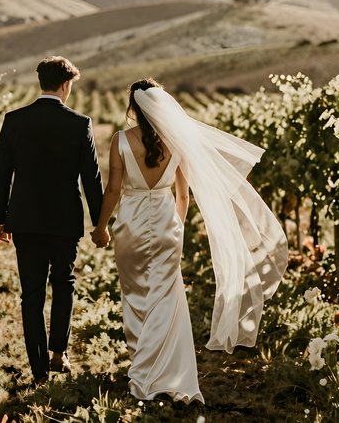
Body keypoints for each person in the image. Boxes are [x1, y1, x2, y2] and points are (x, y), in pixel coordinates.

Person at [91, 78, 288, 404]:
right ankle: (172, 374)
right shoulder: (177, 142)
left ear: (134, 107)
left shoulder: (120, 141)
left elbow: (113, 189)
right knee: (168, 298)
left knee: (136, 294)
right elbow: (183, 194)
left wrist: (101, 227)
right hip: (168, 224)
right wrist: (176, 227)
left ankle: (144, 368)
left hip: (131, 226)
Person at [0, 56, 104, 386]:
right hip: (65, 220)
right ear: (66, 85)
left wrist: (1, 217)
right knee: (64, 283)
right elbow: (92, 179)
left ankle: (39, 370)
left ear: (41, 82)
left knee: (32, 294)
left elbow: (3, 174)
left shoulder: (14, 120)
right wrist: (100, 224)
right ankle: (59, 352)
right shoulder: (79, 123)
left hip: (24, 219)